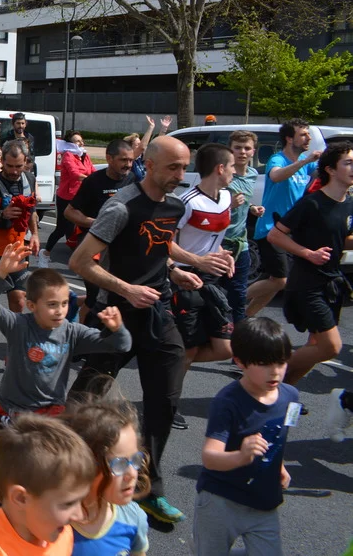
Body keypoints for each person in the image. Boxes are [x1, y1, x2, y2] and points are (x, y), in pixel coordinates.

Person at [68, 136, 234, 525]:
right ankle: (59, 470)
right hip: (116, 315)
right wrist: (127, 289)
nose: (181, 174)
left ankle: (147, 486)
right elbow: (80, 261)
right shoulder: (120, 206)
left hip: (158, 313)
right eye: (173, 167)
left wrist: (182, 269)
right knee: (85, 400)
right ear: (152, 165)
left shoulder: (175, 205)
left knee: (164, 400)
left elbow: (160, 244)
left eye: (184, 167)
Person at [0, 241, 131, 514]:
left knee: (40, 465)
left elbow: (121, 346)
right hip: (14, 410)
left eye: (65, 303)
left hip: (52, 412)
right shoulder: (19, 326)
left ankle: (18, 504)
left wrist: (117, 329)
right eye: (52, 304)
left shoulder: (71, 332)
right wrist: (0, 274)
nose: (60, 310)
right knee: (18, 464)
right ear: (32, 305)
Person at [194, 317, 297, 556]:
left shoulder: (291, 397)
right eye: (264, 363)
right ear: (240, 361)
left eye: (281, 362)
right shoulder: (227, 402)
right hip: (221, 500)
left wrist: (279, 466)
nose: (275, 371)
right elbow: (210, 457)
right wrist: (241, 455)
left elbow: (280, 437)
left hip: (263, 502)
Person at [266, 142, 353, 387]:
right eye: (348, 163)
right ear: (331, 169)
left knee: (315, 345)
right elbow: (275, 235)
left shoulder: (349, 203)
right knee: (331, 347)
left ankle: (283, 391)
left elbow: (341, 239)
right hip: (307, 283)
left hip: (331, 283)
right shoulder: (312, 203)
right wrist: (308, 253)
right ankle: (266, 376)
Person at [0, 414, 95, 556]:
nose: (80, 516)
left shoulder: (62, 533)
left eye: (81, 500)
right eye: (68, 504)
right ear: (21, 498)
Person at [168, 143, 237, 430]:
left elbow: (213, 240)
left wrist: (223, 255)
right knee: (189, 349)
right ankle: (168, 404)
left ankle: (167, 363)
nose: (235, 171)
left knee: (225, 348)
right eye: (232, 166)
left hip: (211, 279)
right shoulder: (187, 202)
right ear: (220, 169)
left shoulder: (227, 197)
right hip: (186, 278)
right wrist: (197, 261)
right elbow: (165, 243)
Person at [246, 118, 322, 317]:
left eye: (308, 134)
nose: (308, 138)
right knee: (280, 280)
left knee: (276, 281)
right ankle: (232, 300)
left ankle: (245, 316)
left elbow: (324, 175)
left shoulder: (305, 163)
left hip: (290, 231)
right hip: (270, 229)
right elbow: (276, 176)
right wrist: (305, 161)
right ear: (289, 138)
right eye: (303, 134)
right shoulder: (278, 159)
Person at [63, 399, 151, 555]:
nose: (132, 474)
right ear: (84, 468)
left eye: (136, 459)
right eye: (119, 464)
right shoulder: (54, 527)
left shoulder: (133, 518)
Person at [65, 139, 137, 321]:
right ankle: (81, 332)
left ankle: (75, 304)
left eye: (131, 160)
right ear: (109, 158)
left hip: (119, 247)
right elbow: (69, 212)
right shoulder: (93, 181)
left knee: (111, 294)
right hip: (93, 244)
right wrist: (98, 224)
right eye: (123, 160)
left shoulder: (133, 180)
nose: (128, 165)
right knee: (95, 294)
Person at [0, 141, 40, 313]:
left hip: (18, 249)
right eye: (9, 166)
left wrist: (34, 234)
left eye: (18, 166)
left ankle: (14, 330)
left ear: (25, 161)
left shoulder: (30, 179)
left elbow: (32, 210)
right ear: (2, 161)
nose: (14, 171)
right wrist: (1, 214)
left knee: (19, 299)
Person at [221, 131, 265, 325]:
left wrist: (252, 208)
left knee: (239, 293)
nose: (242, 152)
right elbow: (209, 205)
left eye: (247, 148)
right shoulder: (223, 174)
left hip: (241, 242)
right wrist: (229, 205)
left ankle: (239, 332)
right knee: (213, 290)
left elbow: (244, 200)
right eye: (237, 148)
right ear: (230, 150)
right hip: (219, 242)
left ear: (253, 151)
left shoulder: (253, 174)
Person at [42, 131, 93, 262]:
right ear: (70, 144)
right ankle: (45, 253)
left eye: (81, 140)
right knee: (62, 228)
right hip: (67, 197)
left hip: (81, 196)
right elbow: (74, 174)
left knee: (80, 226)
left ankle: (78, 256)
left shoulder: (84, 155)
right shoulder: (68, 155)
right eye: (77, 141)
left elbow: (92, 170)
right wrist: (90, 180)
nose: (81, 143)